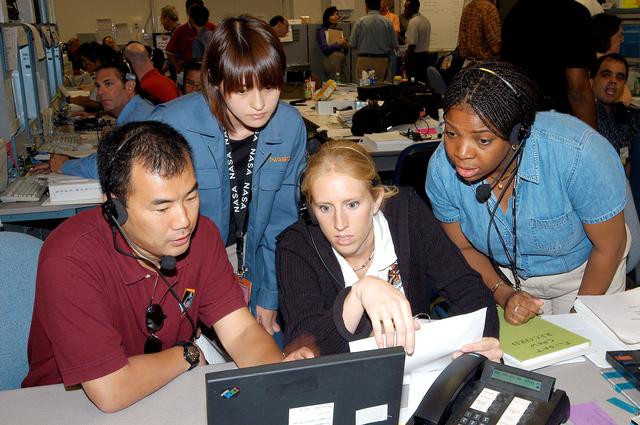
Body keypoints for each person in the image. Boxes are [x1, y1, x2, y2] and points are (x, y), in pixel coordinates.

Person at [22, 121, 313, 412]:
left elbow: (241, 332)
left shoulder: (203, 236)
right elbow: (110, 390)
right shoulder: (71, 258)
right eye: (162, 208)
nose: (183, 220)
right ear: (115, 207)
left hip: (166, 393)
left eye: (191, 197)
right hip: (67, 406)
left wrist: (280, 381)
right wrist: (186, 354)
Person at [426, 62, 630, 325]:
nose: (461, 153)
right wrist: (505, 293)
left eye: (483, 140)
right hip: (506, 278)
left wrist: (579, 321)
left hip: (589, 272)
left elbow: (609, 246)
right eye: (451, 133)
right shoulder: (442, 170)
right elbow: (463, 247)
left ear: (517, 134)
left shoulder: (578, 153)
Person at [150, 16, 307, 337]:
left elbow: (282, 224)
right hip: (181, 271)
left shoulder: (289, 126)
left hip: (253, 265)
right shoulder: (172, 124)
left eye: (269, 86)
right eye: (242, 89)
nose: (260, 104)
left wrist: (269, 295)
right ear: (215, 79)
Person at [277, 140, 501, 359]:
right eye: (325, 208)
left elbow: (467, 288)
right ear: (313, 210)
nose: (339, 223)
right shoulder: (296, 247)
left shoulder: (407, 213)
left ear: (376, 200)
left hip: (415, 369)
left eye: (352, 204)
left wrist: (483, 343)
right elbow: (307, 350)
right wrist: (358, 295)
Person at [31, 61, 154, 176]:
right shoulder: (136, 110)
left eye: (108, 84)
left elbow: (112, 166)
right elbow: (111, 158)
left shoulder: (138, 118)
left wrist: (64, 165)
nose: (100, 92)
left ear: (130, 86)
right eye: (98, 86)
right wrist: (67, 161)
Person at [502, 0, 597, 128]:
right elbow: (578, 92)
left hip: (517, 120)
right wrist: (592, 142)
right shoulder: (574, 14)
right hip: (554, 124)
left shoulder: (514, 13)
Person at [350, 0, 398, 81]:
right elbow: (395, 44)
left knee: (365, 89)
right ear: (379, 6)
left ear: (366, 5)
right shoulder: (387, 22)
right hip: (382, 62)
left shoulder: (360, 22)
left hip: (364, 60)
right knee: (379, 89)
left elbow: (352, 44)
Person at [165, 0, 215, 73]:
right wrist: (177, 68)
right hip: (191, 70)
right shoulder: (181, 30)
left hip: (204, 72)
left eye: (197, 10)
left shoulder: (212, 28)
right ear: (188, 12)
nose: (196, 13)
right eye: (193, 10)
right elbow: (169, 51)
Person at [592, 13, 631, 106]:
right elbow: (625, 100)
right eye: (619, 35)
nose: (622, 40)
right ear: (607, 36)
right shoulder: (597, 64)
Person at [403, 0, 432, 83]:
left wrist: (405, 63)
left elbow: (412, 45)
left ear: (413, 9)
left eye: (406, 8)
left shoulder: (413, 22)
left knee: (413, 83)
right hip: (425, 58)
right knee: (421, 84)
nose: (404, 11)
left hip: (415, 60)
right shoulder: (426, 20)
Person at [317, 7, 348, 81]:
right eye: (333, 15)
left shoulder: (337, 31)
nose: (336, 16)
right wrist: (337, 43)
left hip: (341, 60)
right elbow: (325, 49)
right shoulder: (322, 32)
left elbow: (345, 52)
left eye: (337, 14)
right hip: (331, 61)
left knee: (345, 83)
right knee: (335, 84)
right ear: (327, 17)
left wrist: (344, 46)